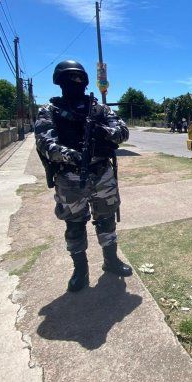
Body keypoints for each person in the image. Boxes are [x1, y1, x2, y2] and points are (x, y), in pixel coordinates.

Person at [34, 60, 132, 293]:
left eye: (79, 79)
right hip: (70, 178)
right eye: (70, 80)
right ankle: (81, 270)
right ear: (60, 82)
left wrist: (103, 131)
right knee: (75, 225)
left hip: (101, 173)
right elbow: (44, 142)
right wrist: (71, 155)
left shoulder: (99, 109)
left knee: (106, 219)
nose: (75, 84)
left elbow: (123, 131)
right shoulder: (50, 110)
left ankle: (111, 261)